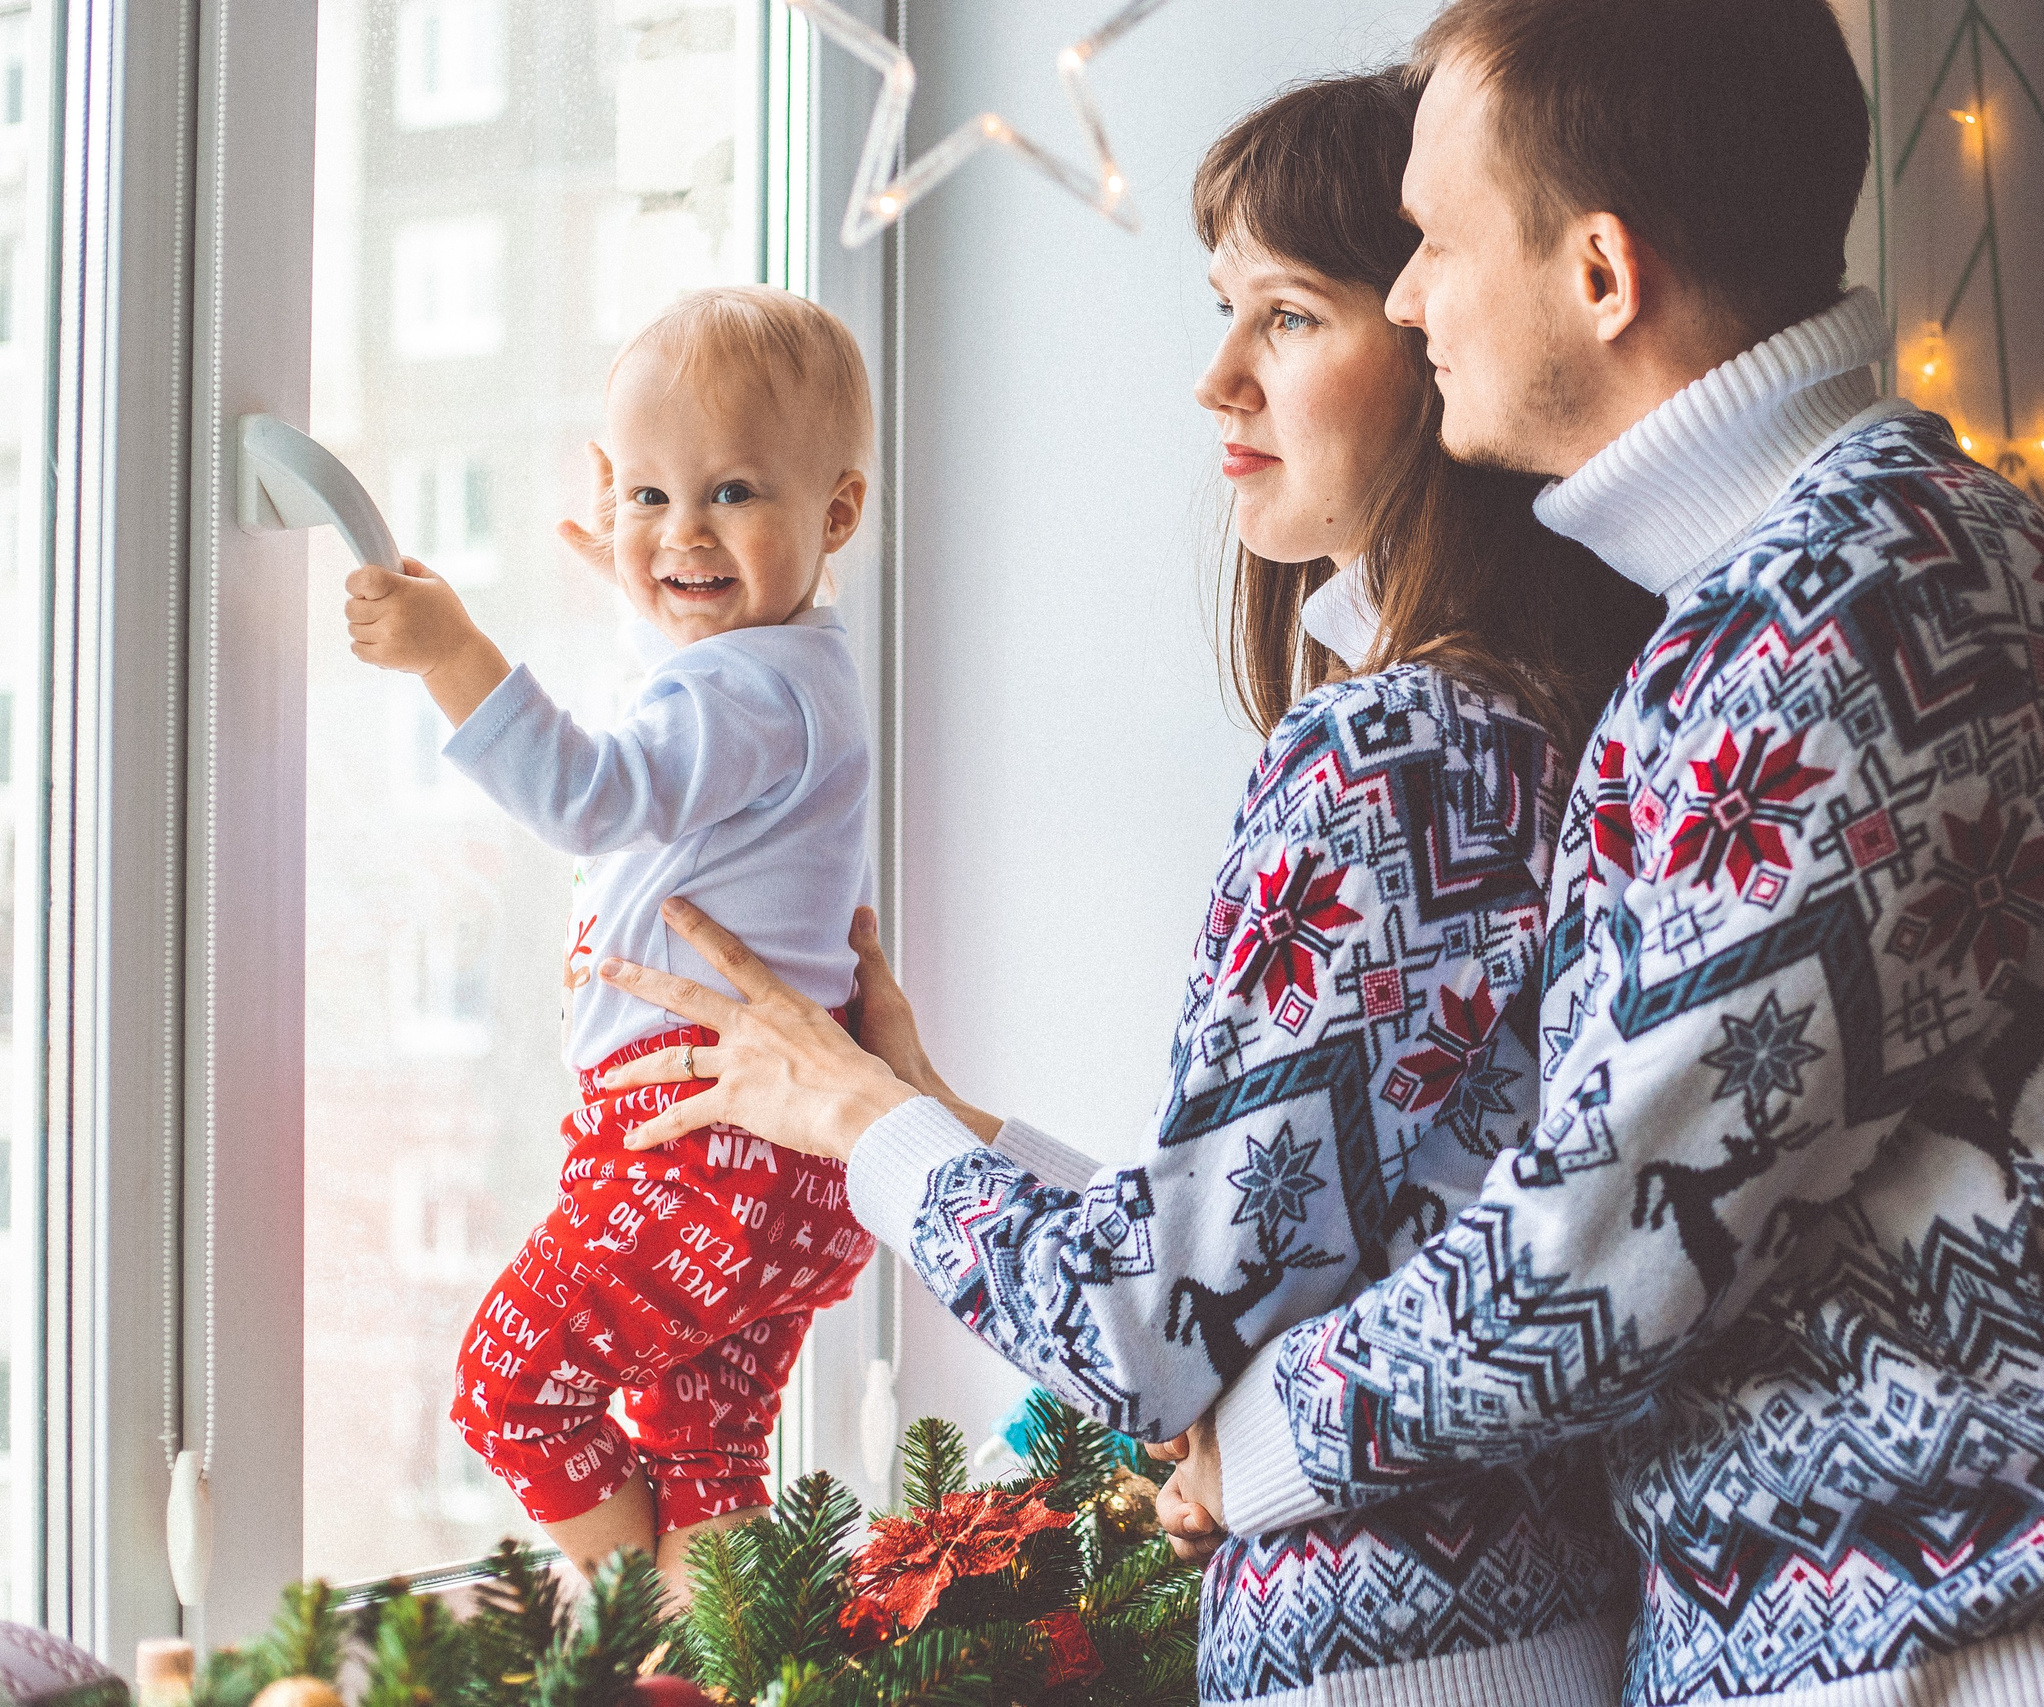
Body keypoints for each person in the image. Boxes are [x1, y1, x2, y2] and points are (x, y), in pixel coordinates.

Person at [597, 0, 2044, 1699]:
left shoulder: (1833, 615)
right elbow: (1437, 1206)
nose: (1417, 296)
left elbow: (1590, 1256)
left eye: (1427, 244)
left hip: (1983, 1643)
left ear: (1599, 274)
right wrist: (963, 1141)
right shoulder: (1857, 574)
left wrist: (1242, 1430)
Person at [598, 72, 1660, 1707]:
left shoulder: (1398, 751)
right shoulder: (1529, 718)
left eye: (1289, 317)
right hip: (1518, 1625)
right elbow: (1268, 1254)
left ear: (1444, 336)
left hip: (1401, 1656)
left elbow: (1151, 1324)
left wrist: (855, 1121)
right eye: (1225, 311)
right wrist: (932, 1102)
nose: (1216, 377)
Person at [343, 284, 881, 1591]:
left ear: (837, 513)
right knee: (704, 1451)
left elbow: (594, 791)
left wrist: (451, 654)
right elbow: (679, 726)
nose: (681, 532)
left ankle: (639, 1637)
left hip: (705, 1153)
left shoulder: (742, 687)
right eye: (646, 497)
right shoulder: (790, 667)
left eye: (733, 493)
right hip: (783, 1166)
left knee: (513, 1391)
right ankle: (722, 1659)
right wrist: (655, 580)